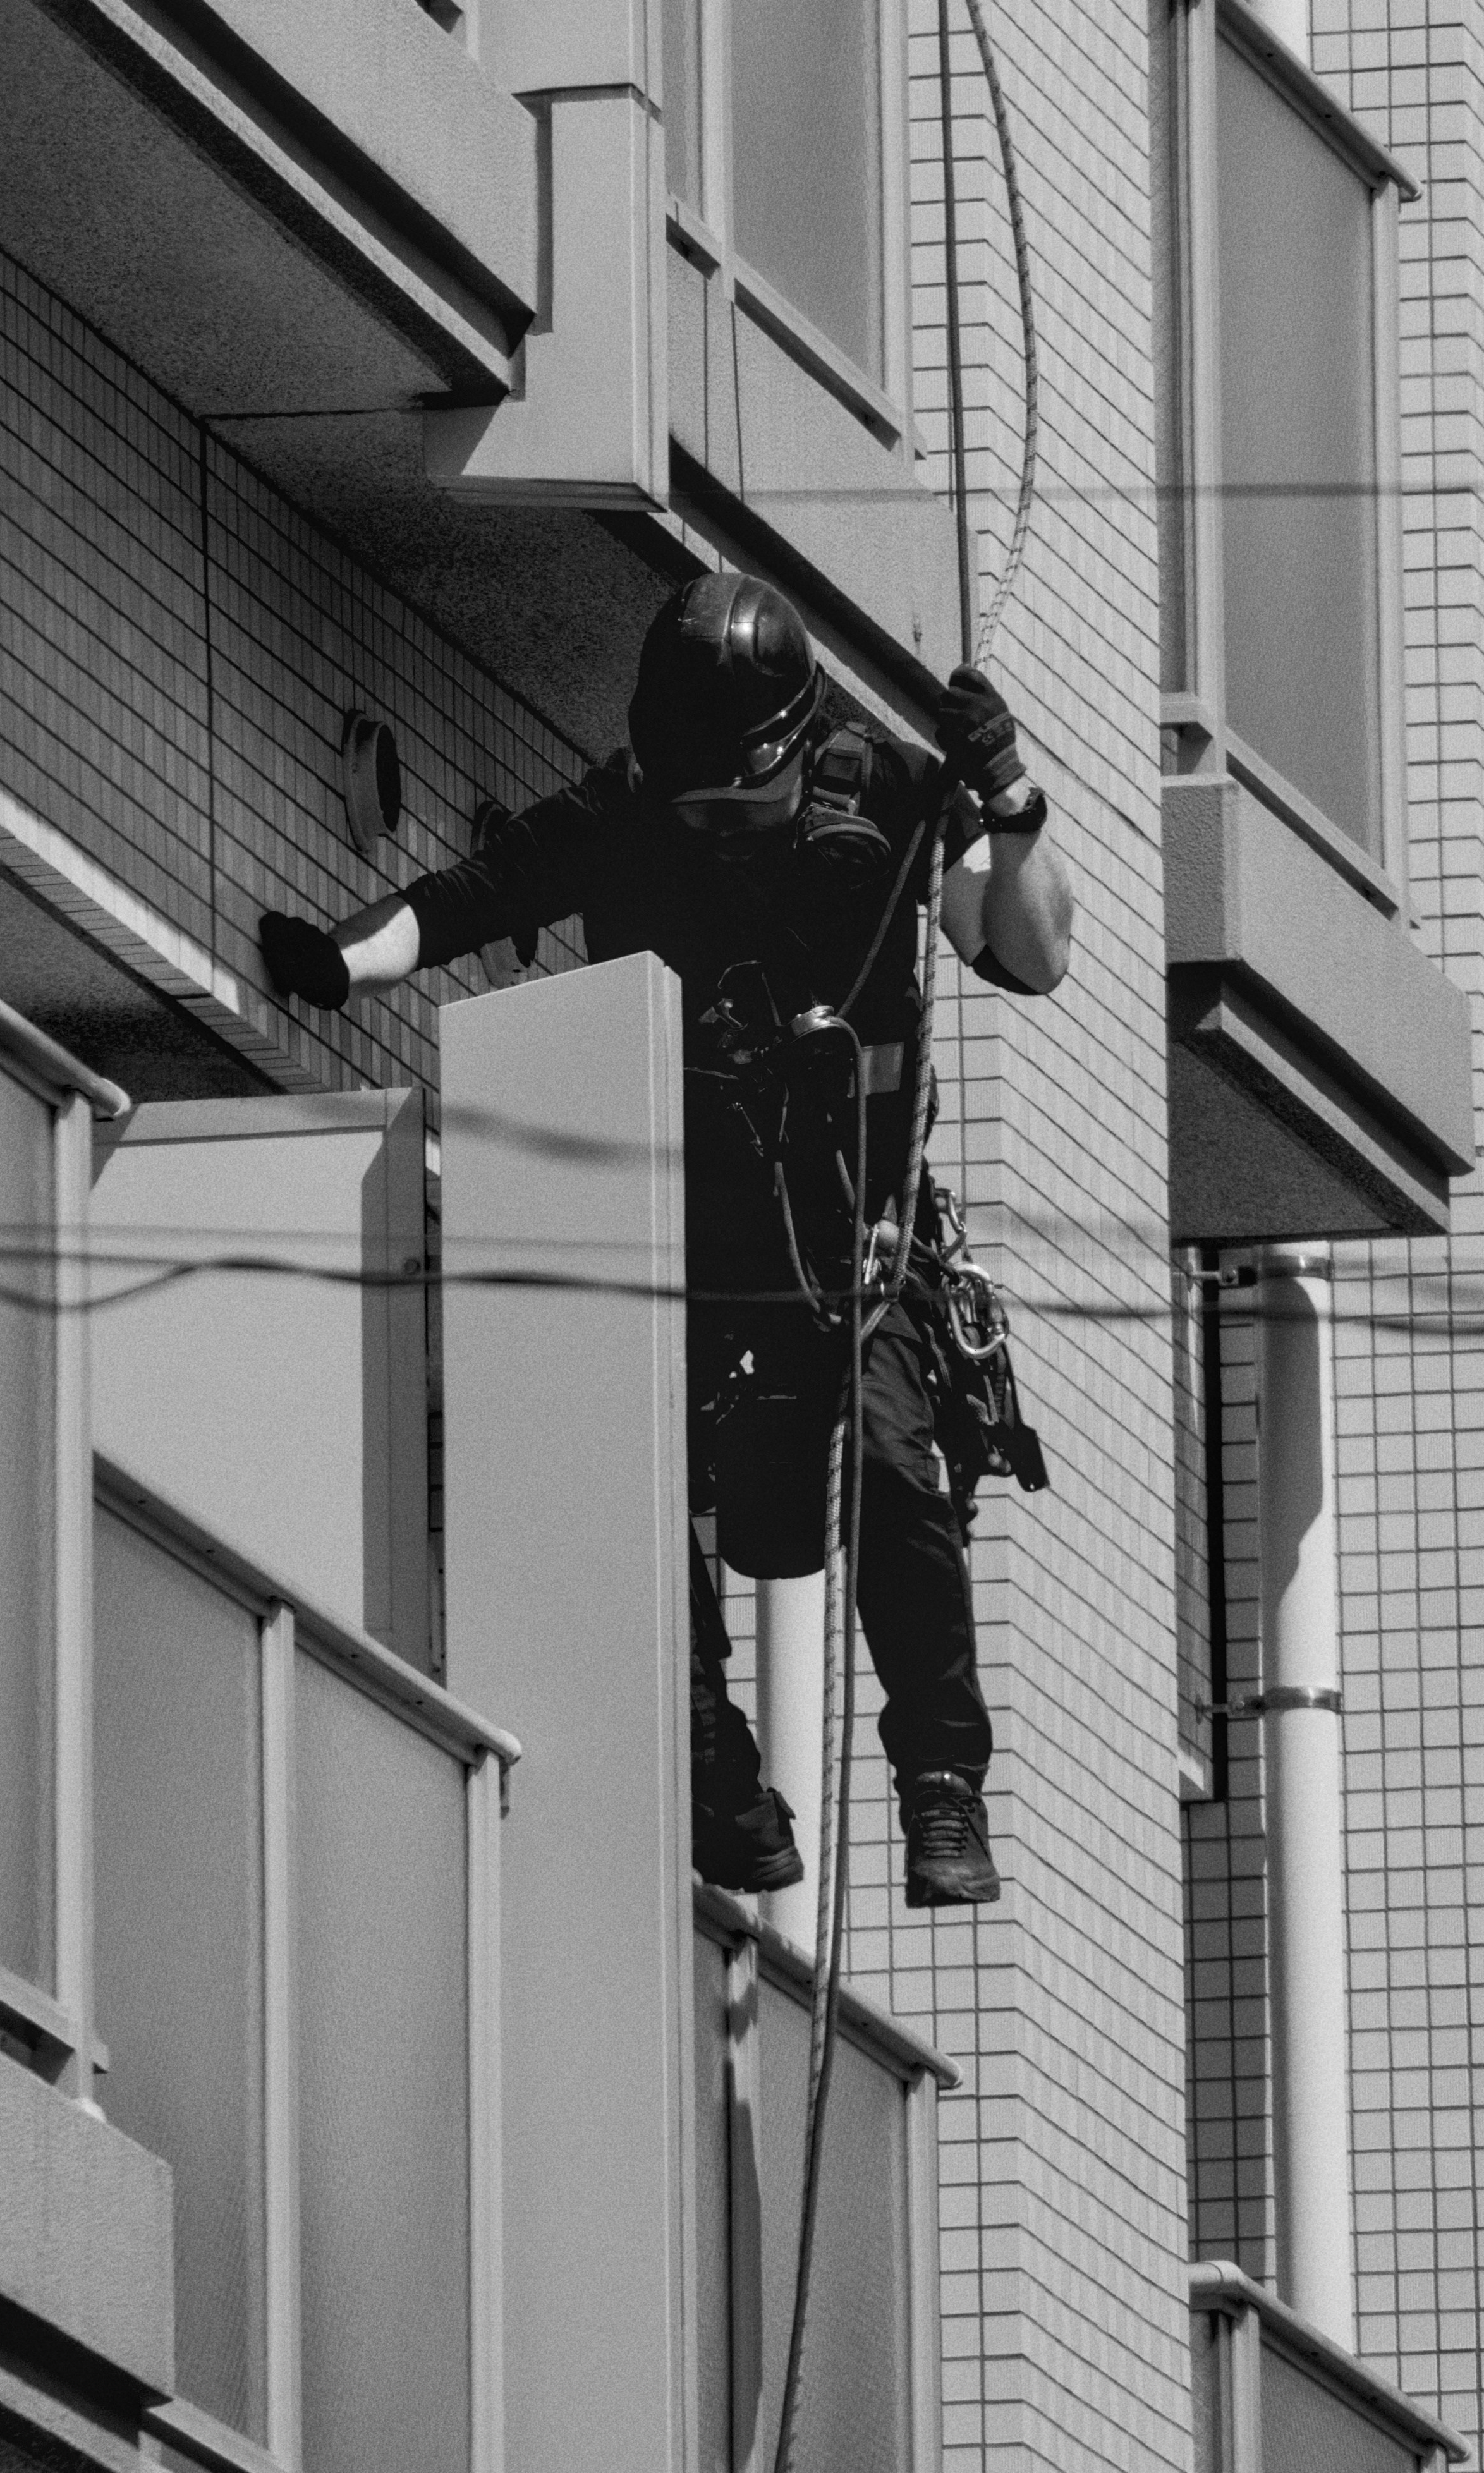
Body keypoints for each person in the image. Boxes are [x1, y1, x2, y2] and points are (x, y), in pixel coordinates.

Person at [260, 574, 1074, 1906]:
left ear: (793, 749)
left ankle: (941, 1786)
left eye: (734, 807)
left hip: (856, 1244)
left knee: (890, 1462)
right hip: (694, 1249)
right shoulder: (631, 816)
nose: (712, 831)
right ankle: (713, 1767)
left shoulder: (883, 793)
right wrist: (337, 962)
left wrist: (1012, 807)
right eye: (691, 804)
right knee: (628, 1470)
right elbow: (469, 895)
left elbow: (1030, 956)